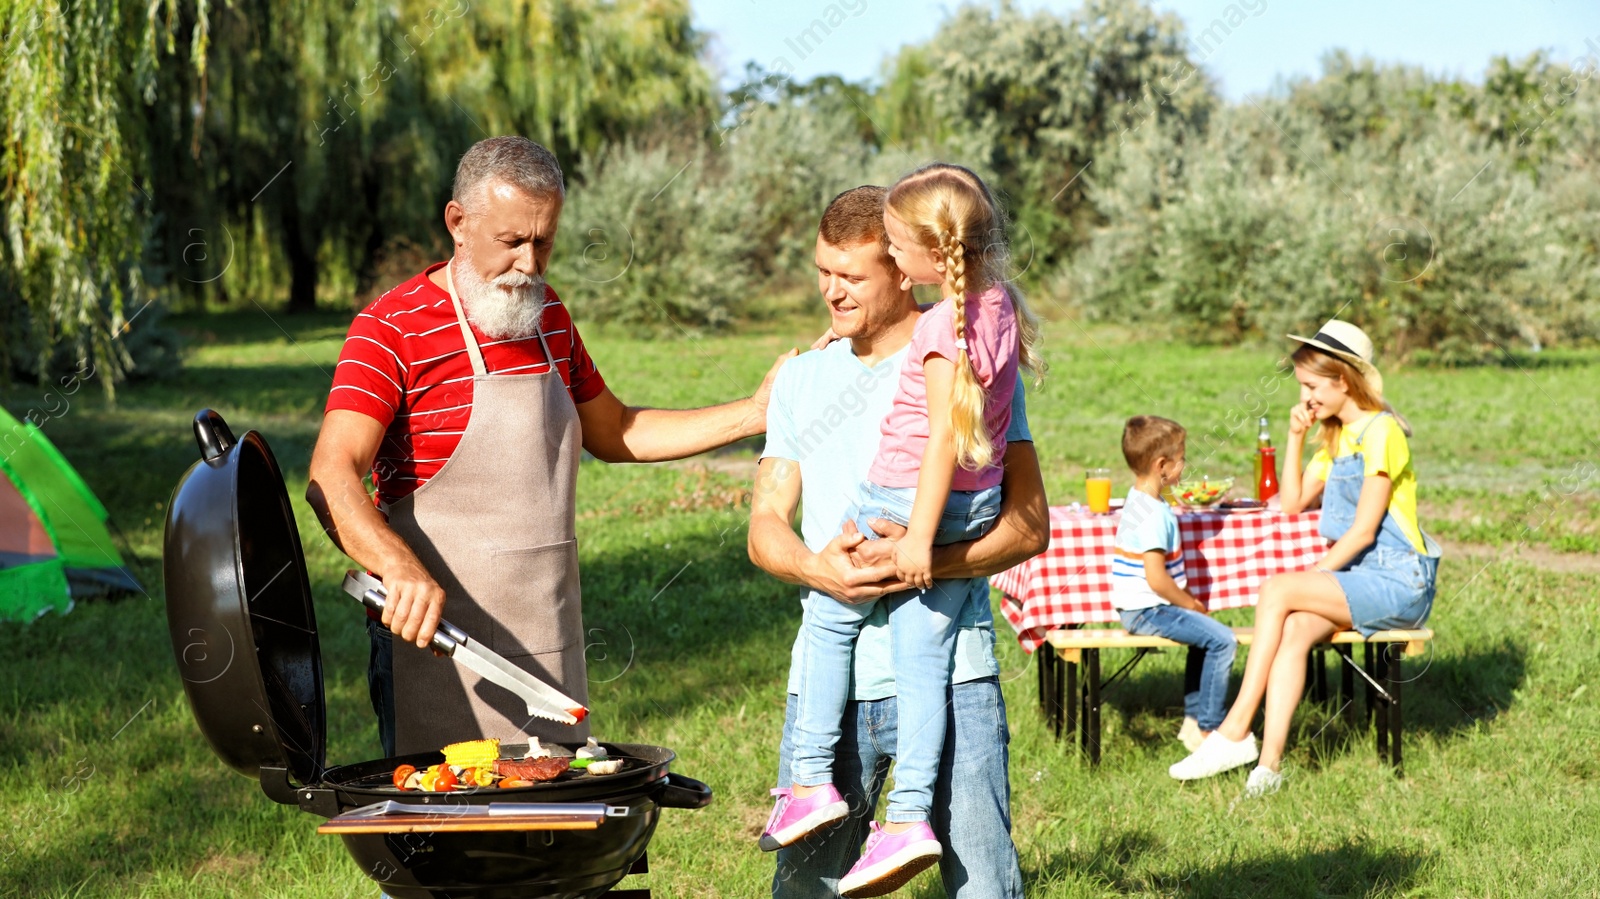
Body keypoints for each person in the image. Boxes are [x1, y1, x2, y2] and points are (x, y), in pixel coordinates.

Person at [306, 136, 791, 757]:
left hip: (545, 634)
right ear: (458, 223)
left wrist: (753, 413)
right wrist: (396, 565)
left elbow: (615, 430)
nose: (531, 264)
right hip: (433, 645)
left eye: (544, 242)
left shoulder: (550, 318)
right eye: (512, 242)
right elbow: (331, 473)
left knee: (548, 833)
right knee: (450, 836)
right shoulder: (390, 327)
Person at [748, 185, 1048, 899]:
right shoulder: (802, 378)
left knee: (985, 890)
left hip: (954, 676)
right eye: (822, 272)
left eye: (850, 276)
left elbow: (1029, 524)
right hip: (832, 688)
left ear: (902, 265)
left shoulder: (964, 350)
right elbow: (765, 528)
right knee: (804, 893)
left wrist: (920, 561)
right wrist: (823, 571)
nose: (831, 291)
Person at [1168, 319, 1441, 795]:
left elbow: (1361, 532)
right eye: (1303, 388)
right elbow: (1292, 502)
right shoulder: (1337, 436)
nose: (1307, 397)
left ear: (1343, 380)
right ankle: (1268, 769)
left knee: (1279, 589)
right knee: (1293, 629)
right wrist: (1296, 435)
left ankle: (1234, 730)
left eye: (1313, 387)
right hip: (1357, 580)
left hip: (1399, 580)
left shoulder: (1382, 433)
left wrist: (1310, 576)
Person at [1111, 415, 1237, 752]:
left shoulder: (1141, 498)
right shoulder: (1152, 514)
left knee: (1206, 636)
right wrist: (1190, 604)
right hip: (1148, 609)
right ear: (1162, 465)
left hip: (1139, 607)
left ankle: (1193, 724)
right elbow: (1156, 579)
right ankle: (1210, 731)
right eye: (1182, 458)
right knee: (1223, 640)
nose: (1185, 465)